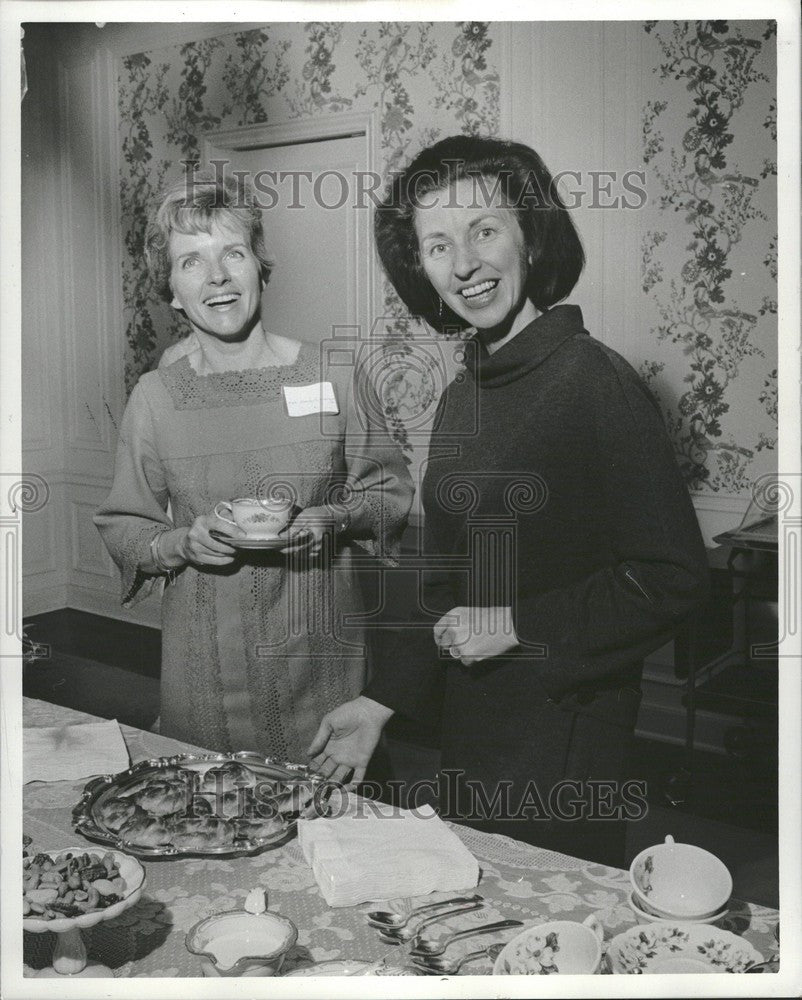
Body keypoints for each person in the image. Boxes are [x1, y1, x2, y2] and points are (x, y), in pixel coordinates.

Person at [308, 135, 709, 866]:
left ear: (530, 235)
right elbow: (448, 586)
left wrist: (518, 624)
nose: (462, 263)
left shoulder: (596, 383)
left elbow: (673, 577)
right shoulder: (468, 391)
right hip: (474, 730)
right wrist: (381, 702)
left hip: (565, 745)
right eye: (437, 245)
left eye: (483, 230)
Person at [95, 172, 413, 762]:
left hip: (321, 670)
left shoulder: (332, 374)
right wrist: (180, 544)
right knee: (208, 833)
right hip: (203, 676)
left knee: (327, 838)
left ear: (260, 266)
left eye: (232, 253)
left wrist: (333, 517)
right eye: (191, 261)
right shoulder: (156, 396)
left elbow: (389, 494)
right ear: (171, 289)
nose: (216, 277)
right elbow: (123, 525)